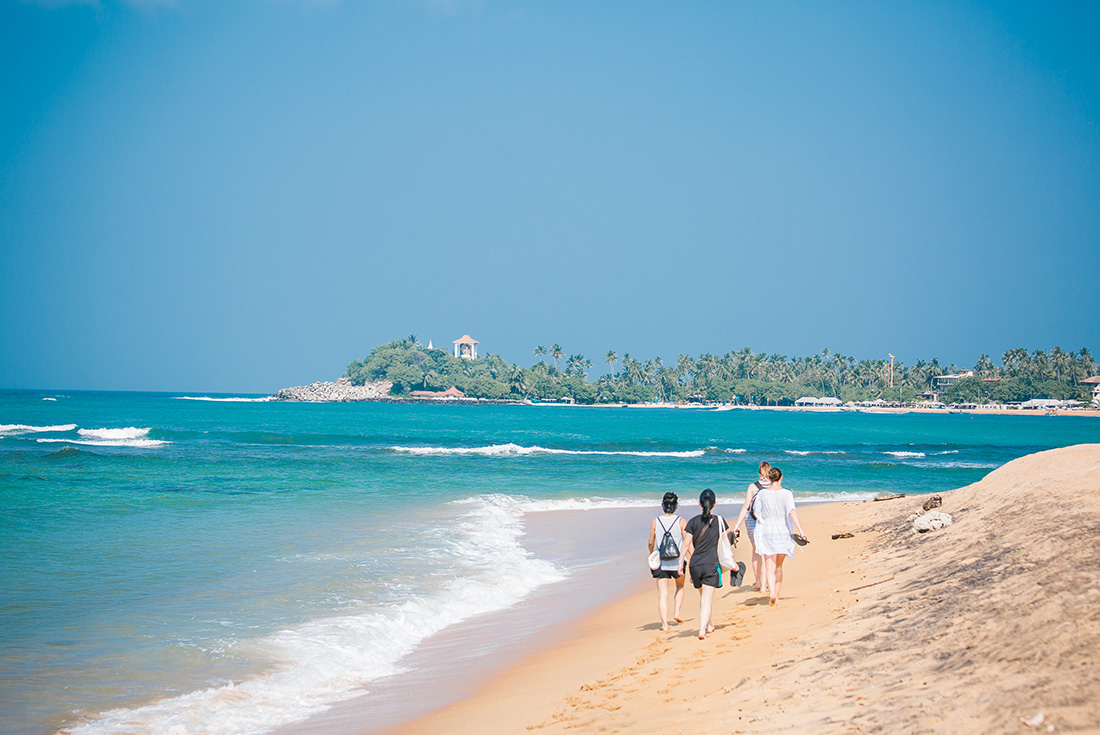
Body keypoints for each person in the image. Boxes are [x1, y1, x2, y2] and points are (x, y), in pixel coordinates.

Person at [752, 467, 807, 606]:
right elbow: (791, 512)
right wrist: (801, 530)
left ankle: (771, 594)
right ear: (781, 478)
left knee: (769, 566)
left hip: (767, 532)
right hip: (782, 532)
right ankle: (776, 594)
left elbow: (756, 512)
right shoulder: (787, 494)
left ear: (769, 478)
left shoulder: (762, 494)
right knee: (779, 566)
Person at [682, 488, 726, 639]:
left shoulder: (692, 522)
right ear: (714, 504)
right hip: (710, 564)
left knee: (703, 598)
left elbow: (686, 544)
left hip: (695, 566)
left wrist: (680, 563)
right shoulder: (719, 521)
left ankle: (709, 624)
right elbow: (726, 542)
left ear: (699, 503)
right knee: (706, 599)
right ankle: (702, 630)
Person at [648, 492, 687, 631]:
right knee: (680, 586)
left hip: (661, 562)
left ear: (663, 505)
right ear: (676, 505)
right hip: (678, 562)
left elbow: (651, 542)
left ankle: (664, 625)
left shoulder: (656, 521)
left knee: (662, 594)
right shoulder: (681, 521)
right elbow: (687, 542)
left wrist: (652, 555)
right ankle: (676, 612)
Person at [732, 461, 772, 593]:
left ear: (759, 472)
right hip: (767, 521)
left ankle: (759, 582)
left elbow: (746, 507)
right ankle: (767, 582)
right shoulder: (773, 486)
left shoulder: (753, 486)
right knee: (767, 552)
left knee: (756, 551)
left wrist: (737, 525)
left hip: (752, 521)